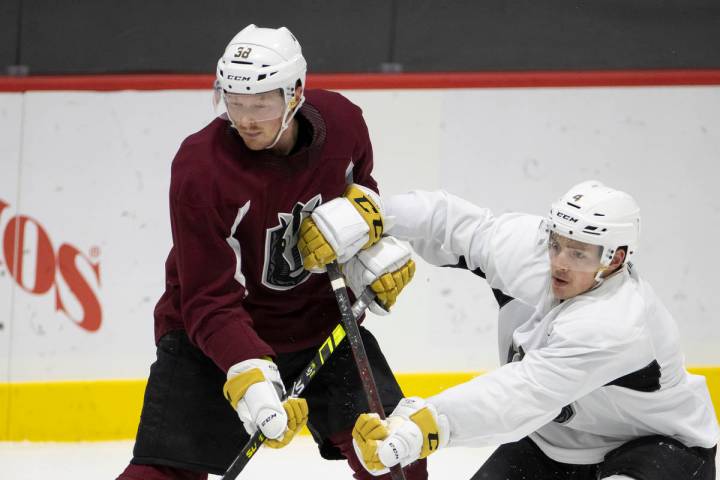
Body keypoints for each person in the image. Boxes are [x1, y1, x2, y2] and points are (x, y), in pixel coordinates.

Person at [117, 24, 425, 480]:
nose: (246, 119)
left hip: (323, 328)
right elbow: (207, 297)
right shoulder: (201, 169)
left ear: (295, 92)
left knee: (395, 453)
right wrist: (250, 376)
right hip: (212, 339)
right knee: (162, 473)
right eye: (235, 102)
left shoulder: (343, 124)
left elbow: (362, 197)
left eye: (261, 102)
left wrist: (369, 249)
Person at [302, 180, 720, 479]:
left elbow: (523, 393)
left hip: (658, 449)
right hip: (552, 444)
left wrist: (421, 426)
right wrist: (378, 214)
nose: (559, 261)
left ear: (616, 258)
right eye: (557, 243)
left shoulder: (617, 323)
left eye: (579, 253)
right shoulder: (532, 251)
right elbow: (450, 222)